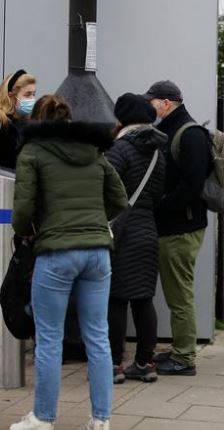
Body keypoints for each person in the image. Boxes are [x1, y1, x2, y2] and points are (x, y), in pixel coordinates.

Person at [11, 95, 127, 430]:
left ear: (38, 122)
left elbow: (22, 210)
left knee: (49, 337)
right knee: (98, 336)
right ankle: (101, 419)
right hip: (97, 253)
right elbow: (119, 199)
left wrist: (30, 231)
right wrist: (92, 222)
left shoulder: (32, 152)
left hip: (56, 252)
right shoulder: (95, 152)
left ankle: (43, 417)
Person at [145, 80, 211, 376]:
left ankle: (185, 358)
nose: (151, 107)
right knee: (175, 292)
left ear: (166, 102)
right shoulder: (172, 129)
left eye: (153, 102)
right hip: (173, 225)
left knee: (179, 293)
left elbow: (193, 185)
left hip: (181, 226)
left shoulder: (190, 133)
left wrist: (160, 205)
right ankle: (180, 348)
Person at [105, 93, 166, 384]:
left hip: (121, 231)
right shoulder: (157, 152)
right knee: (143, 299)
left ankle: (115, 364)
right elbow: (156, 193)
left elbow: (108, 191)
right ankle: (145, 362)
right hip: (147, 230)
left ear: (122, 119)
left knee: (116, 299)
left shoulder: (118, 150)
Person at [0, 69, 36, 169]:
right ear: (11, 97)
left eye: (34, 94)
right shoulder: (6, 129)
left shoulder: (30, 126)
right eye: (27, 94)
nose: (32, 99)